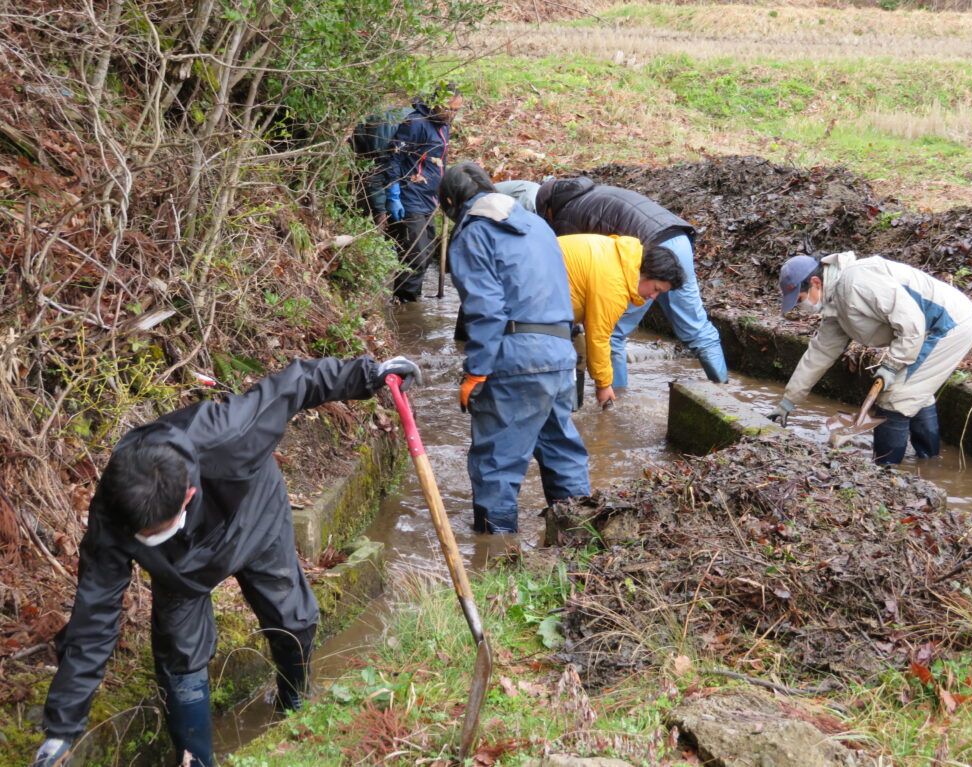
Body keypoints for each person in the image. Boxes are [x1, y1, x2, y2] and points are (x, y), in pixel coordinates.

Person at [30, 356, 424, 767]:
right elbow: (94, 615)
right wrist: (61, 732)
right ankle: (194, 758)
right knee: (180, 653)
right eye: (141, 537)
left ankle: (296, 704)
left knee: (291, 616)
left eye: (156, 530)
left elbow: (296, 384)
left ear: (185, 496)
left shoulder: (229, 434)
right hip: (179, 567)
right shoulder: (113, 512)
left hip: (254, 518)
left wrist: (369, 374)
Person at [438, 161, 590, 534]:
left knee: (496, 460)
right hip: (559, 353)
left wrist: (476, 370)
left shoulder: (474, 233)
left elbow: (485, 310)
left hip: (516, 357)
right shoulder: (538, 225)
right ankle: (578, 538)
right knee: (561, 449)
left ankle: (496, 554)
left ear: (449, 201)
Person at [766, 252, 972, 464]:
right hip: (927, 330)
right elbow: (819, 353)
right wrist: (788, 401)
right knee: (917, 393)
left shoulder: (857, 281)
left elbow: (912, 324)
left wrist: (892, 365)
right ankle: (929, 463)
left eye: (801, 299)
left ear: (815, 282)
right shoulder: (835, 304)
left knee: (894, 398)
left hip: (948, 325)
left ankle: (886, 471)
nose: (801, 306)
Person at [535, 177, 728, 385]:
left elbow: (572, 278)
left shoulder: (567, 215)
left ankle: (612, 401)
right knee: (697, 327)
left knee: (612, 336)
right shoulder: (601, 191)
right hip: (678, 238)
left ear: (549, 210)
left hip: (647, 255)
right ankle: (723, 391)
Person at [557, 233, 684, 407]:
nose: (654, 296)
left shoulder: (622, 256)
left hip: (536, 292)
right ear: (647, 273)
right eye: (656, 289)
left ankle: (571, 407)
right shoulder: (615, 285)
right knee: (568, 359)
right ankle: (566, 410)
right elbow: (598, 337)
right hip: (532, 304)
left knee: (578, 348)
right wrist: (603, 385)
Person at [382, 85, 463, 303]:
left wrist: (444, 190)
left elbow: (439, 161)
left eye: (456, 110)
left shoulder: (443, 125)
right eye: (449, 109)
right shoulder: (415, 123)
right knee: (415, 255)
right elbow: (394, 158)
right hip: (410, 196)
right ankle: (403, 305)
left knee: (427, 254)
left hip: (430, 197)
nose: (452, 115)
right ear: (436, 103)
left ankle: (411, 299)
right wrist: (393, 193)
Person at [349, 106, 414, 225]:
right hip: (375, 144)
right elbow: (376, 169)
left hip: (380, 142)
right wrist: (380, 211)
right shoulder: (385, 133)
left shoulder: (419, 125)